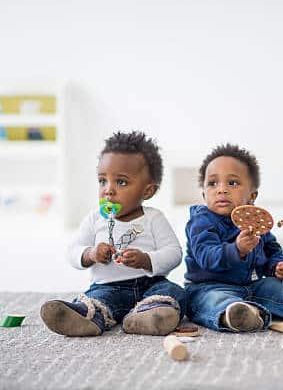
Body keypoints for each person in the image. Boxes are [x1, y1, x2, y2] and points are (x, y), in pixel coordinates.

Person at [185, 144, 283, 332]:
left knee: (280, 286)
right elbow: (206, 255)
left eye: (232, 183)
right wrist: (236, 249)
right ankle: (236, 315)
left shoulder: (255, 222)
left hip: (253, 285)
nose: (221, 189)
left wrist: (277, 267)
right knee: (212, 300)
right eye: (213, 183)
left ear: (252, 196)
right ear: (204, 194)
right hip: (209, 287)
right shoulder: (201, 221)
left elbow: (272, 249)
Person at [41, 131, 186, 336]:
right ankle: (86, 317)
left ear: (147, 191)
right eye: (102, 181)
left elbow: (174, 253)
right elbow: (72, 251)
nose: (108, 190)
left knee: (174, 293)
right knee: (97, 299)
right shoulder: (95, 219)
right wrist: (90, 254)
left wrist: (146, 259)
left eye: (121, 182)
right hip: (108, 287)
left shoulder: (154, 218)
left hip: (150, 285)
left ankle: (150, 315)